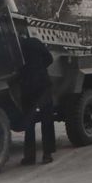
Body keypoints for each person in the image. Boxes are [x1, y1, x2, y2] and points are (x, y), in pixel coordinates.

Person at [18, 36, 56, 165]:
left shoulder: (15, 47)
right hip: (43, 84)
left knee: (29, 122)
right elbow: (49, 59)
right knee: (47, 120)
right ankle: (47, 154)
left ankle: (29, 157)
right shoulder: (35, 42)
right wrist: (40, 68)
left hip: (27, 87)